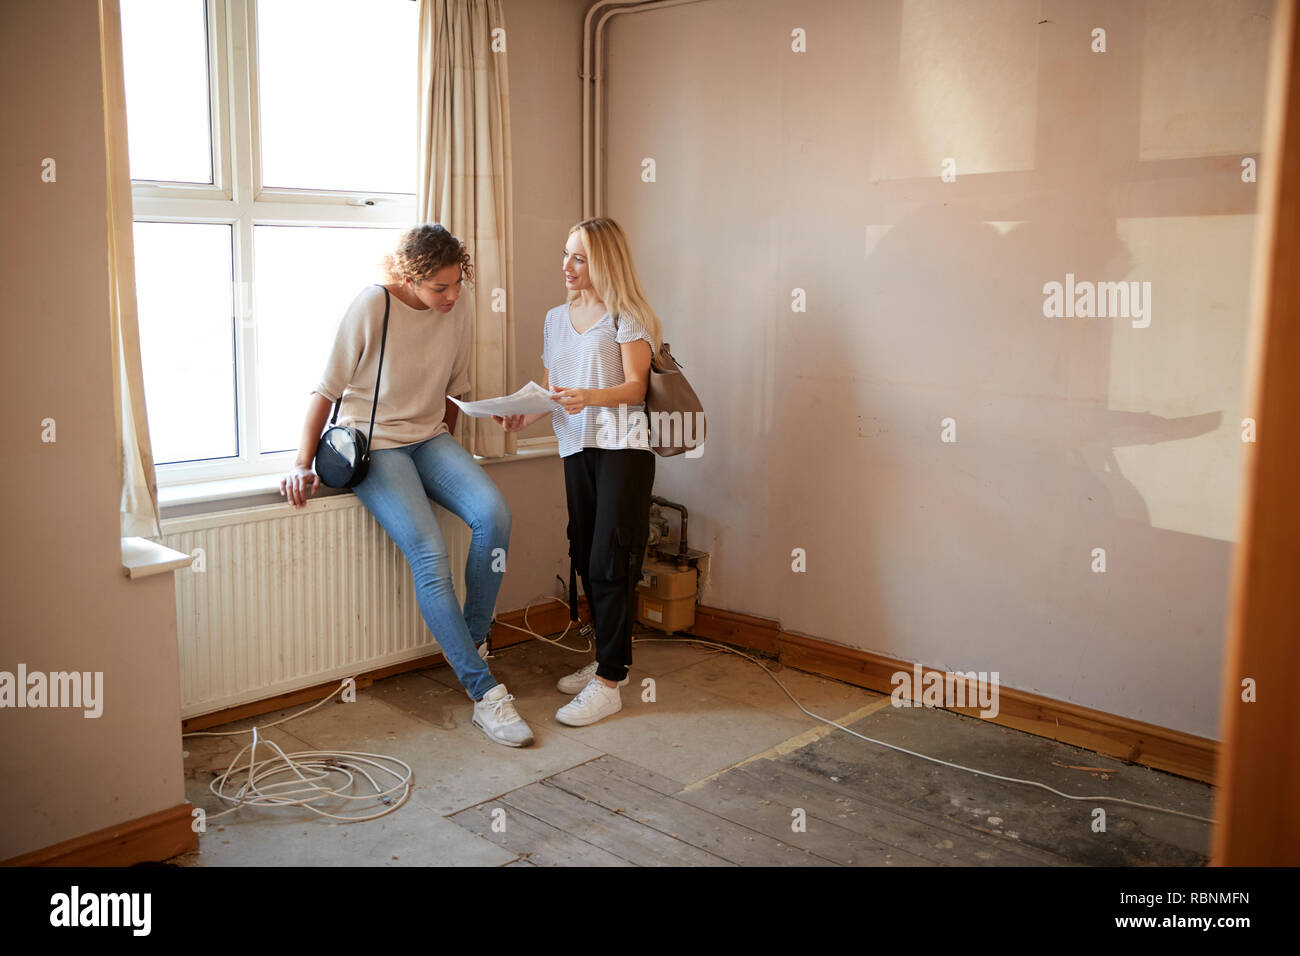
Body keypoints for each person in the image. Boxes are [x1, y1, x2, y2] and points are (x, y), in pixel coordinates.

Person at [280, 223, 534, 748]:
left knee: (495, 515)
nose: (452, 296)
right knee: (429, 552)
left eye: (457, 283)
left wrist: (455, 452)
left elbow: (453, 392)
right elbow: (325, 390)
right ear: (410, 277)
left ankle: (473, 637)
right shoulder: (373, 306)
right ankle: (485, 692)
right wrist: (301, 462)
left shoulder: (456, 307)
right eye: (439, 288)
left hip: (430, 437)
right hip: (375, 445)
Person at [495, 217, 660, 727]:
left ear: (604, 262)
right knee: (587, 556)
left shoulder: (627, 316)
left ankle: (609, 682)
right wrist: (526, 412)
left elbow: (636, 387)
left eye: (580, 257)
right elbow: (554, 390)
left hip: (621, 450)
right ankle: (611, 661)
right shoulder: (555, 318)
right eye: (566, 254)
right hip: (575, 446)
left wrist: (589, 397)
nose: (567, 266)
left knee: (612, 559)